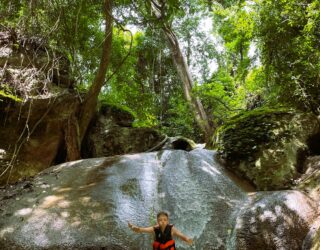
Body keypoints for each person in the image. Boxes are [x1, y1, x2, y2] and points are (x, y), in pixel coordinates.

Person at [128, 211, 193, 250]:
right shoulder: (155, 229)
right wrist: (135, 228)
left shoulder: (172, 229)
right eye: (160, 220)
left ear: (168, 221)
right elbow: (142, 230)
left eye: (165, 220)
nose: (163, 222)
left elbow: (181, 235)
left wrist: (187, 239)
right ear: (157, 221)